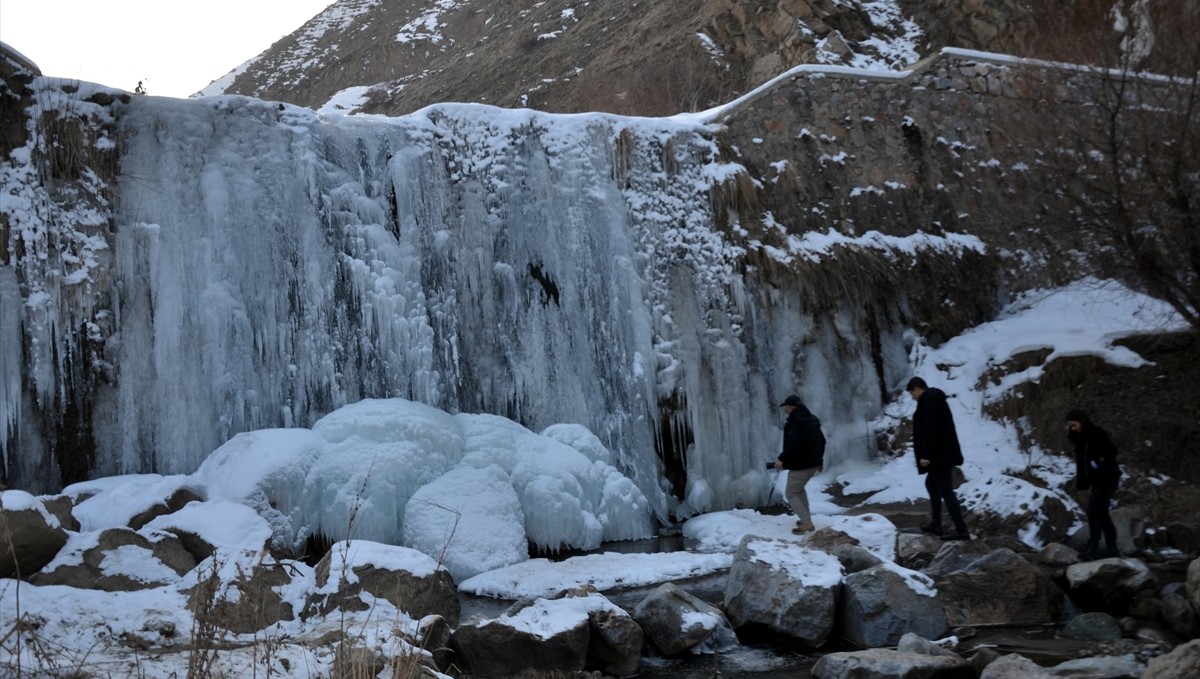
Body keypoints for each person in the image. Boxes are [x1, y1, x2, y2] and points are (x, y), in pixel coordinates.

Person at [906, 377, 970, 540]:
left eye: (912, 393)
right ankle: (936, 524)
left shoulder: (928, 403)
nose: (912, 397)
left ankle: (961, 530)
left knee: (946, 491)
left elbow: (930, 431)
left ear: (917, 388)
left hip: (938, 456)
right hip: (942, 454)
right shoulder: (934, 401)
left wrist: (926, 455)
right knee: (932, 486)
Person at [1066, 410, 1121, 559]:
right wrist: (1082, 481)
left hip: (1108, 478)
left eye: (1074, 425)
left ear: (1081, 421)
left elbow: (1111, 451)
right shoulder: (1080, 438)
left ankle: (1094, 546)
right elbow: (1082, 462)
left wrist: (1098, 462)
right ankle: (1112, 547)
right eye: (1070, 426)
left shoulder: (1096, 433)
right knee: (1102, 513)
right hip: (1098, 481)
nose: (1072, 428)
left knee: (1093, 511)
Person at [773, 395, 826, 535]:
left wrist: (781, 459)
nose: (785, 408)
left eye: (786, 406)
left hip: (801, 465)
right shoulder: (812, 419)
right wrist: (820, 461)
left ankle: (806, 522)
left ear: (791, 407)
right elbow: (822, 441)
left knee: (791, 493)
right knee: (799, 489)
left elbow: (793, 445)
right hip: (812, 463)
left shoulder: (795, 422)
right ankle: (805, 518)